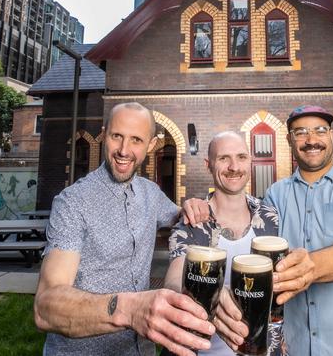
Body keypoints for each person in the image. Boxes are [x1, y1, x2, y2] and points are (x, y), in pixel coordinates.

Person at [183, 106, 333, 356]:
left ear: (332, 136)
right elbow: (234, 210)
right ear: (289, 140)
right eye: (300, 132)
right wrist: (198, 205)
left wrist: (312, 267)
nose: (311, 140)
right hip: (295, 349)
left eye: (320, 130)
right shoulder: (276, 195)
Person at [34, 102, 215, 356]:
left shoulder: (151, 193)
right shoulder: (72, 202)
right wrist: (129, 309)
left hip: (141, 350)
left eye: (136, 140)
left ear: (150, 145)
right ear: (105, 134)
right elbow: (46, 307)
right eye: (116, 136)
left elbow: (180, 217)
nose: (123, 150)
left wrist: (192, 205)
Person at [164, 131, 281, 355]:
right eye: (223, 158)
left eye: (241, 157)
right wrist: (213, 298)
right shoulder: (192, 221)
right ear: (208, 165)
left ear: (250, 161)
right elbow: (172, 283)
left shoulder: (271, 217)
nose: (234, 167)